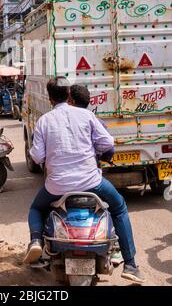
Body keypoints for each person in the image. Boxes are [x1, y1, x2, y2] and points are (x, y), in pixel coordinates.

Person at [24, 77, 144, 284]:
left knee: (36, 209)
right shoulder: (87, 115)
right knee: (119, 207)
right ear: (69, 95)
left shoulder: (44, 121)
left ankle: (36, 240)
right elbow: (107, 142)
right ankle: (131, 264)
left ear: (50, 98)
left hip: (57, 186)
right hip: (92, 183)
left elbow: (36, 157)